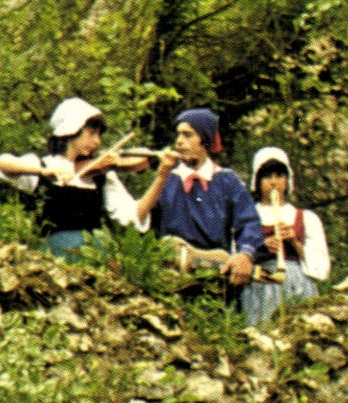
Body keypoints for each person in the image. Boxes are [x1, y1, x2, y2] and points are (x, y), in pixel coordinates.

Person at [0, 97, 150, 258]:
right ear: (72, 131)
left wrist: (162, 175)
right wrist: (42, 171)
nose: (97, 141)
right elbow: (1, 164)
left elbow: (131, 215)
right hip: (56, 251)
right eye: (92, 133)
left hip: (94, 250)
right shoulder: (45, 165)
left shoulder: (101, 174)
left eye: (99, 134)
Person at [134, 107, 262, 292]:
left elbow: (249, 221)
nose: (179, 142)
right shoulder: (167, 181)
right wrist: (160, 177)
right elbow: (139, 220)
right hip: (172, 281)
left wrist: (246, 254)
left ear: (205, 141)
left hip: (216, 277)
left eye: (188, 135)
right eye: (178, 135)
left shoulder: (227, 181)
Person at [241, 146, 330, 326]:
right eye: (267, 176)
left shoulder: (306, 218)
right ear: (257, 181)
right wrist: (261, 248)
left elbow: (321, 268)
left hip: (296, 283)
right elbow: (235, 255)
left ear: (287, 180)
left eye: (279, 176)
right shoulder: (246, 216)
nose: (273, 182)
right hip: (261, 282)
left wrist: (294, 242)